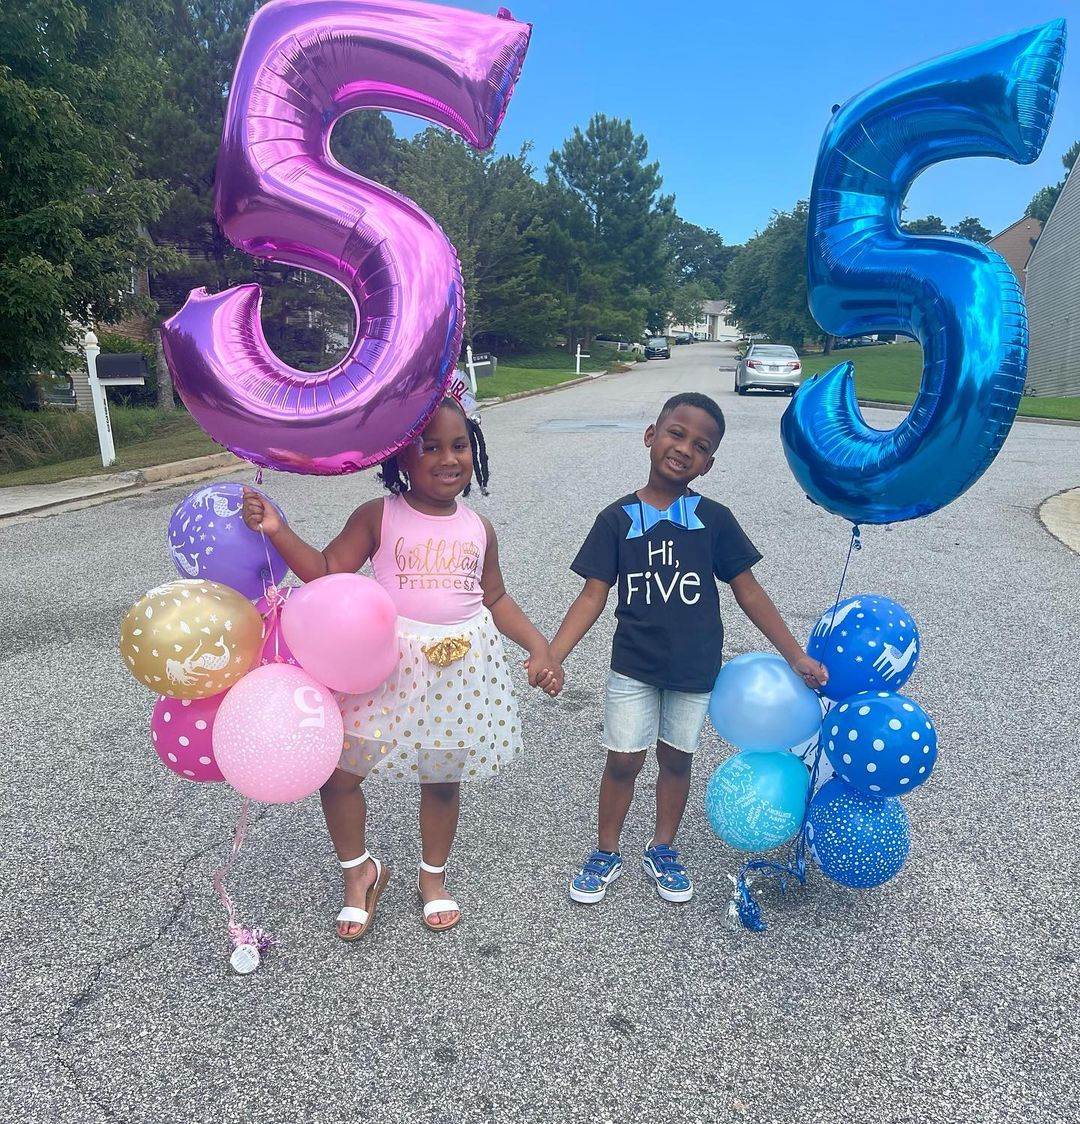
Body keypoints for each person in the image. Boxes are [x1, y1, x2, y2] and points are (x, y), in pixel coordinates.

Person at [242, 397, 560, 941]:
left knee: (442, 781)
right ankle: (359, 872)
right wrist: (276, 529)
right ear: (400, 457)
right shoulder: (379, 515)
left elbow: (495, 597)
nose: (448, 458)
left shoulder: (479, 528)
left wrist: (538, 645)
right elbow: (326, 571)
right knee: (340, 776)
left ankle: (432, 876)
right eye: (430, 447)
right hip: (386, 669)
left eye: (459, 446)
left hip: (458, 676)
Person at [548, 392, 828, 905]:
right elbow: (591, 595)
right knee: (623, 761)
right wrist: (553, 654)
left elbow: (749, 591)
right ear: (651, 436)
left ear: (709, 464)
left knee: (676, 760)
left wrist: (795, 654)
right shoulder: (615, 519)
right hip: (633, 667)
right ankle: (606, 851)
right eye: (676, 434)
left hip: (695, 670)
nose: (684, 449)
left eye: (700, 446)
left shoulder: (715, 520)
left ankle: (662, 848)